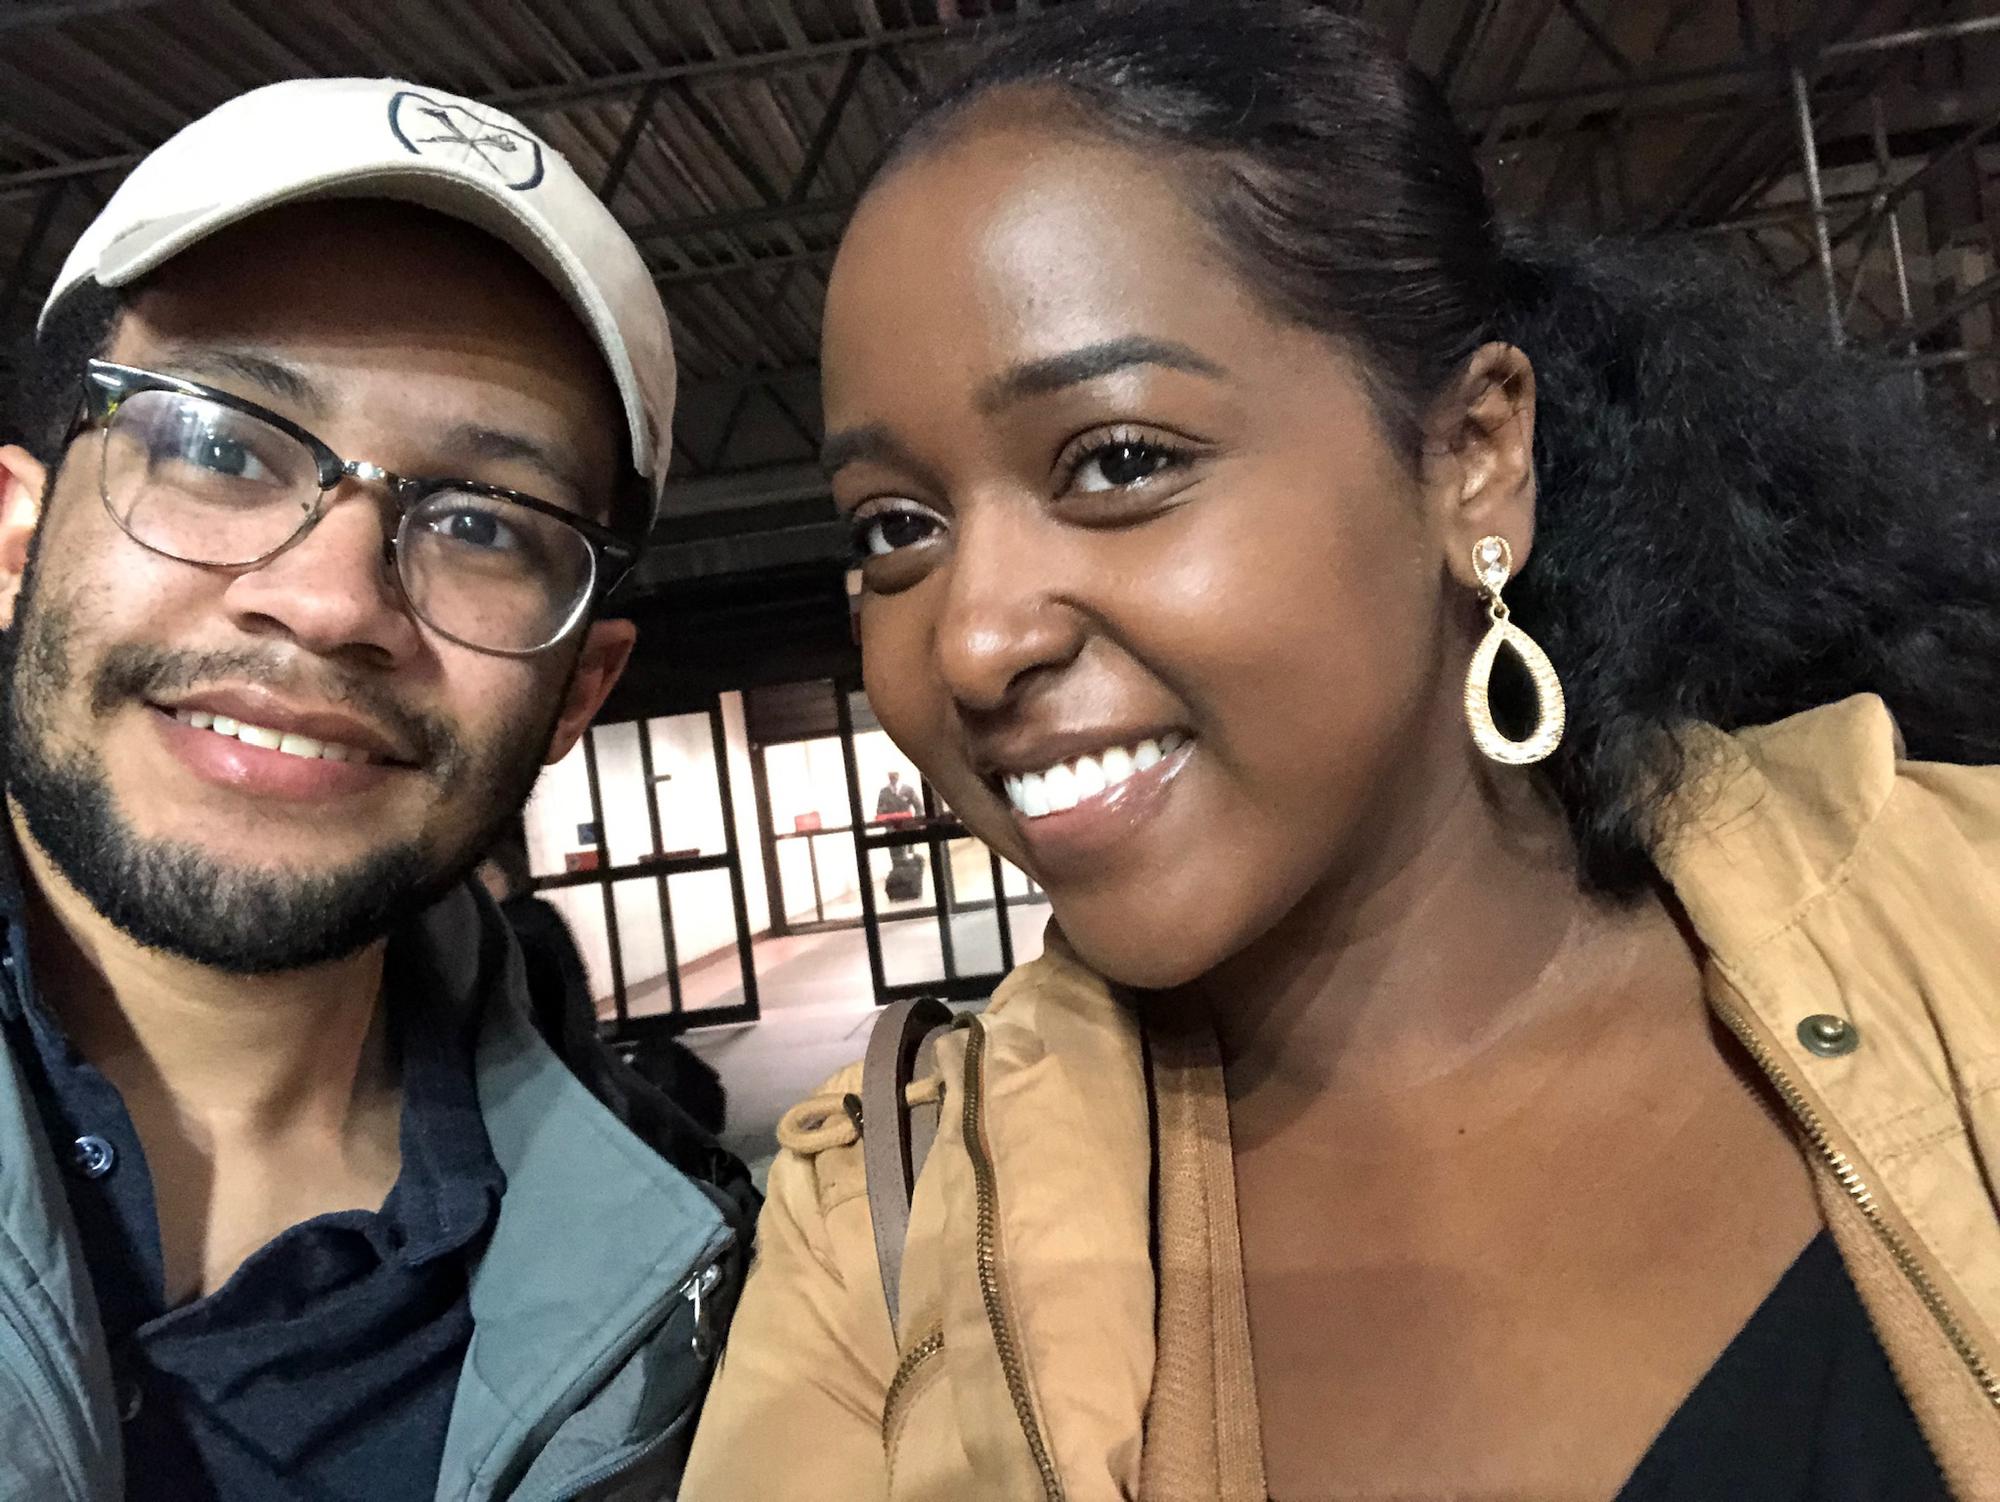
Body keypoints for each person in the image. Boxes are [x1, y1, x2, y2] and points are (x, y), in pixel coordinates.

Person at [683, 4, 2000, 1498]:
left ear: (1472, 458)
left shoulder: (1960, 923)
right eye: (894, 529)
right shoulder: (886, 1245)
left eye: (1119, 461)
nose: (972, 640)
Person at [0, 78, 752, 1500]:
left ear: (576, 693)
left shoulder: (700, 1310)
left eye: (483, 523)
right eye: (220, 444)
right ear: (15, 540)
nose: (332, 600)